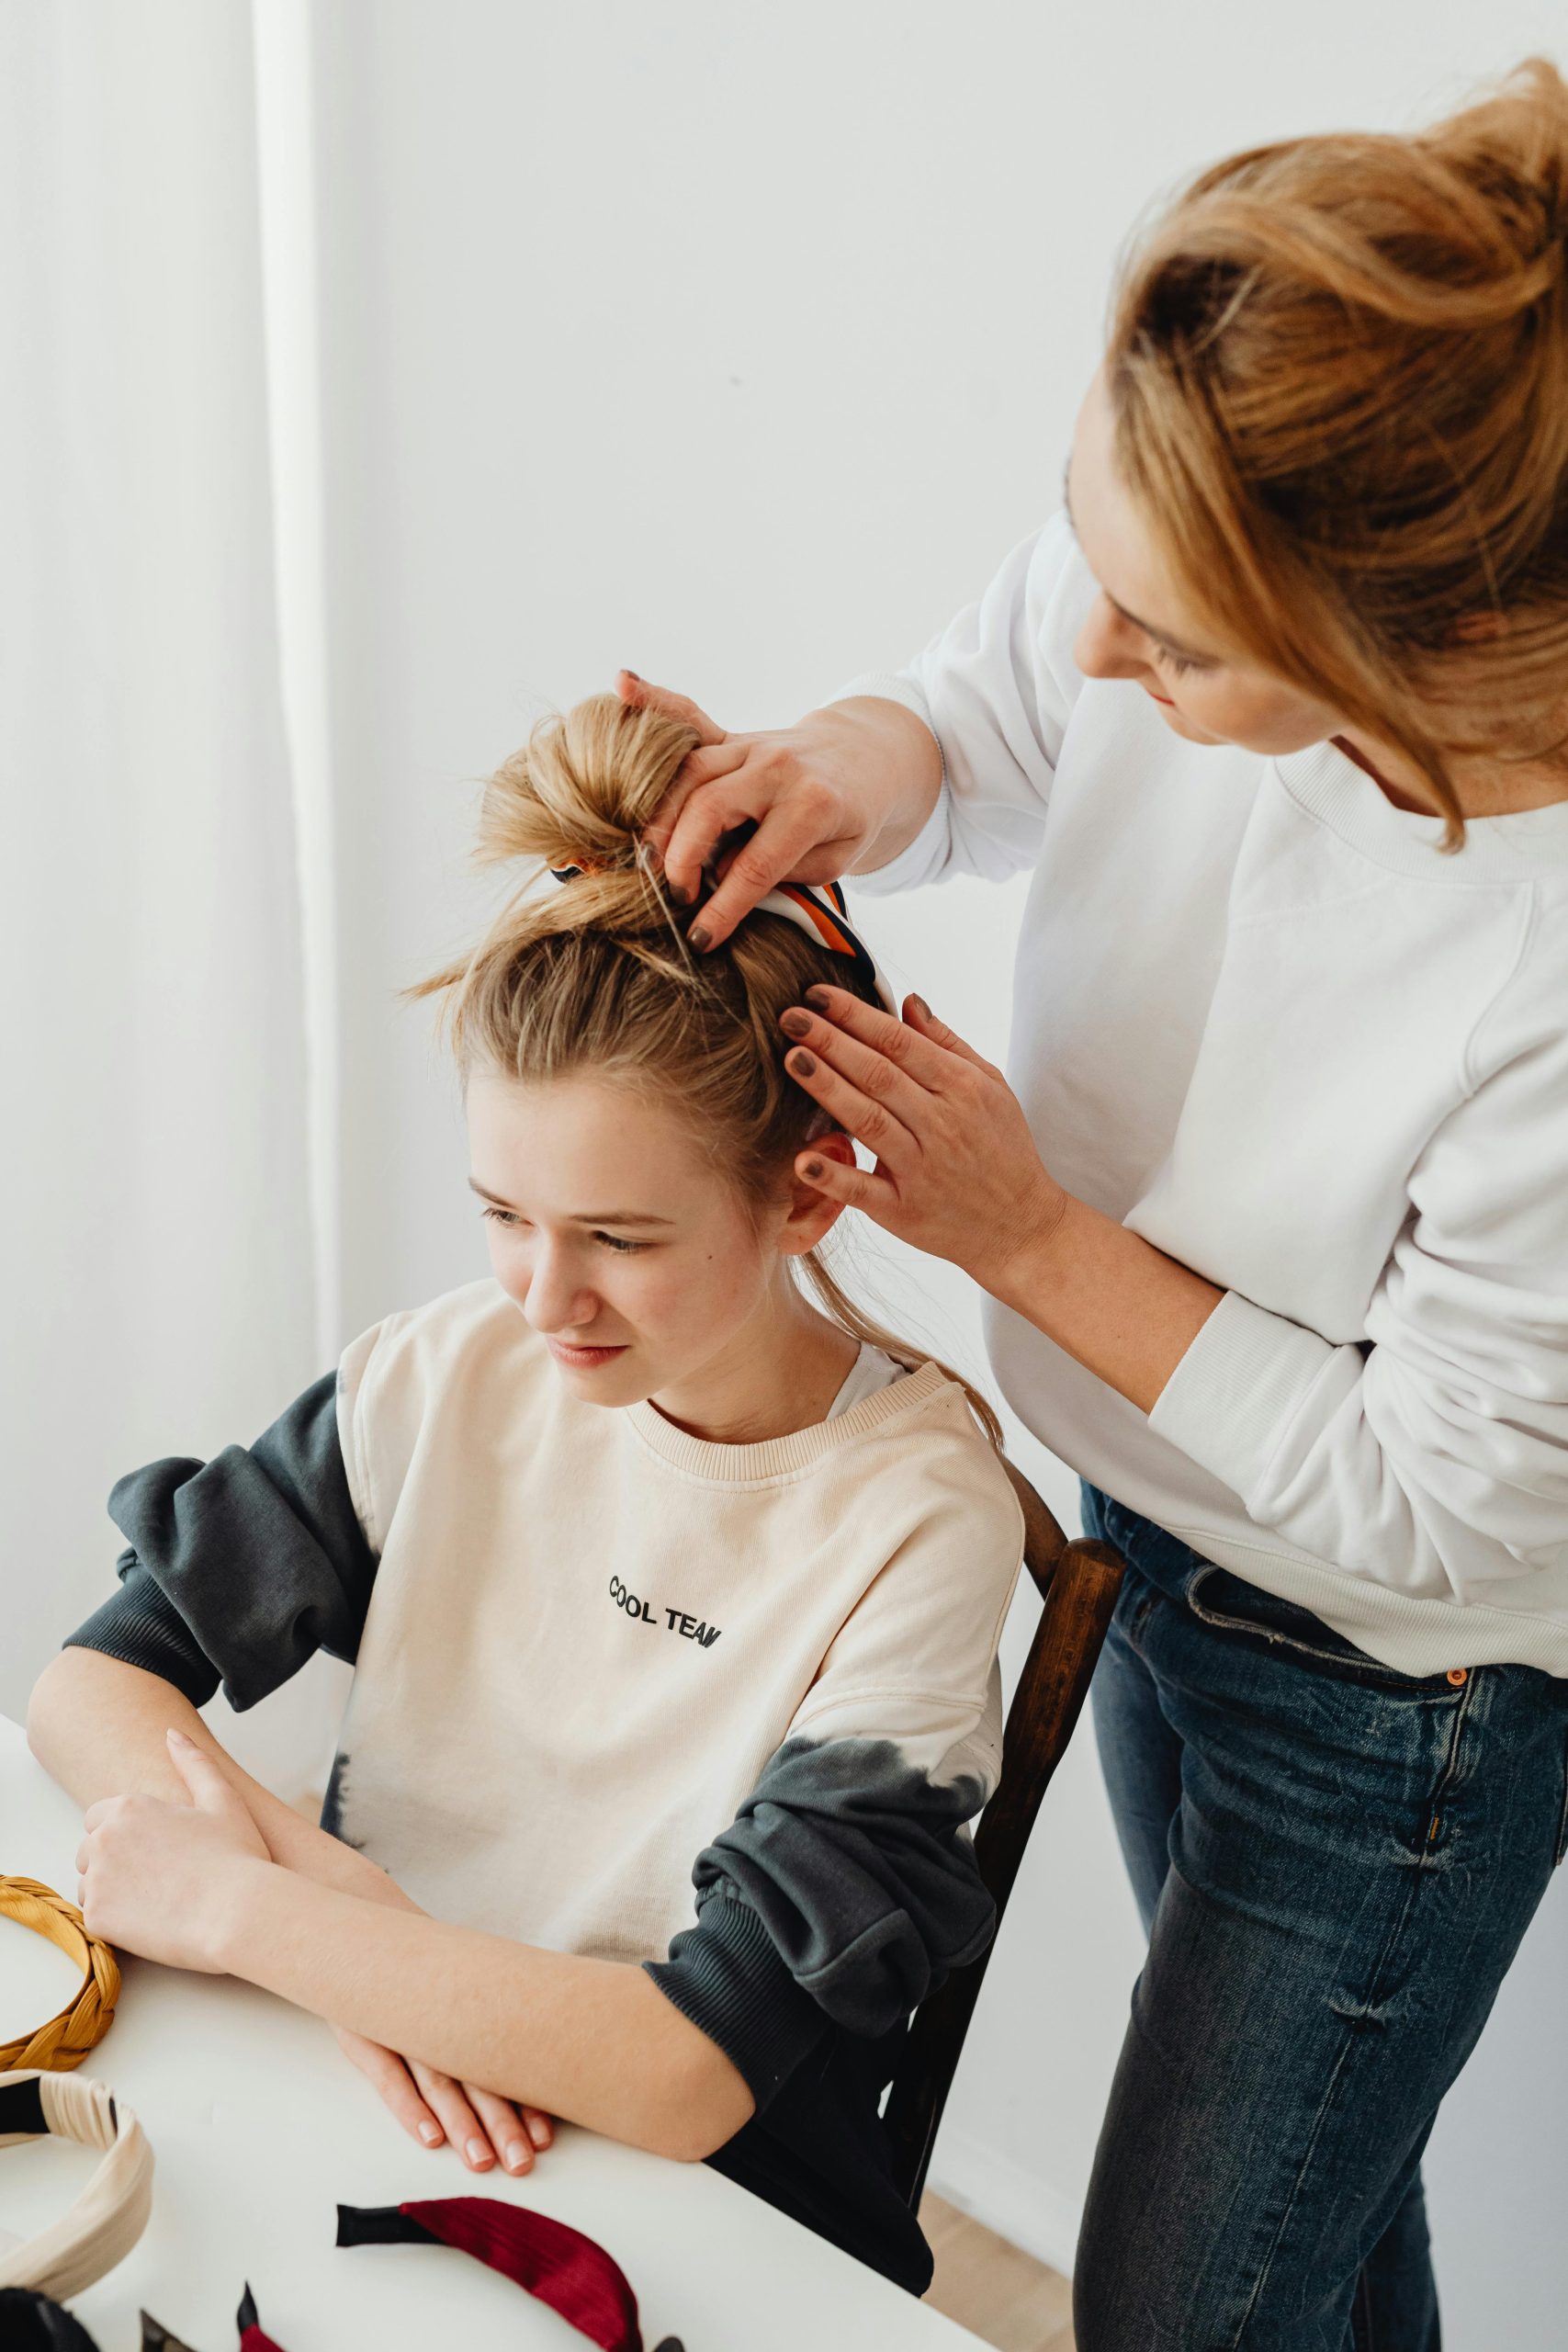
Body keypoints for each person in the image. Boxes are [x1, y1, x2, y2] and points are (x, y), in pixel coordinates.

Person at [613, 57, 1568, 2351]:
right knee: (1310, 2251)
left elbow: (1454, 1500)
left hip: (1395, 1698)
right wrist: (854, 764)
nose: (1096, 656)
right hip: (1142, 1543)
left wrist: (1022, 1235)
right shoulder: (1193, 527)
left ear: (1388, 661)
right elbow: (997, 705)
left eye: (1173, 644)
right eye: (1094, 563)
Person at [28, 695, 1027, 2297]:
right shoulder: (453, 1370)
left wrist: (252, 1914)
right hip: (383, 2082)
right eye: (506, 1211)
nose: (544, 1296)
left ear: (810, 1193)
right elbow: (93, 1685)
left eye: (620, 1239)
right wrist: (351, 1922)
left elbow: (691, 2073)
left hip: (683, 2202)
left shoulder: (918, 1517)